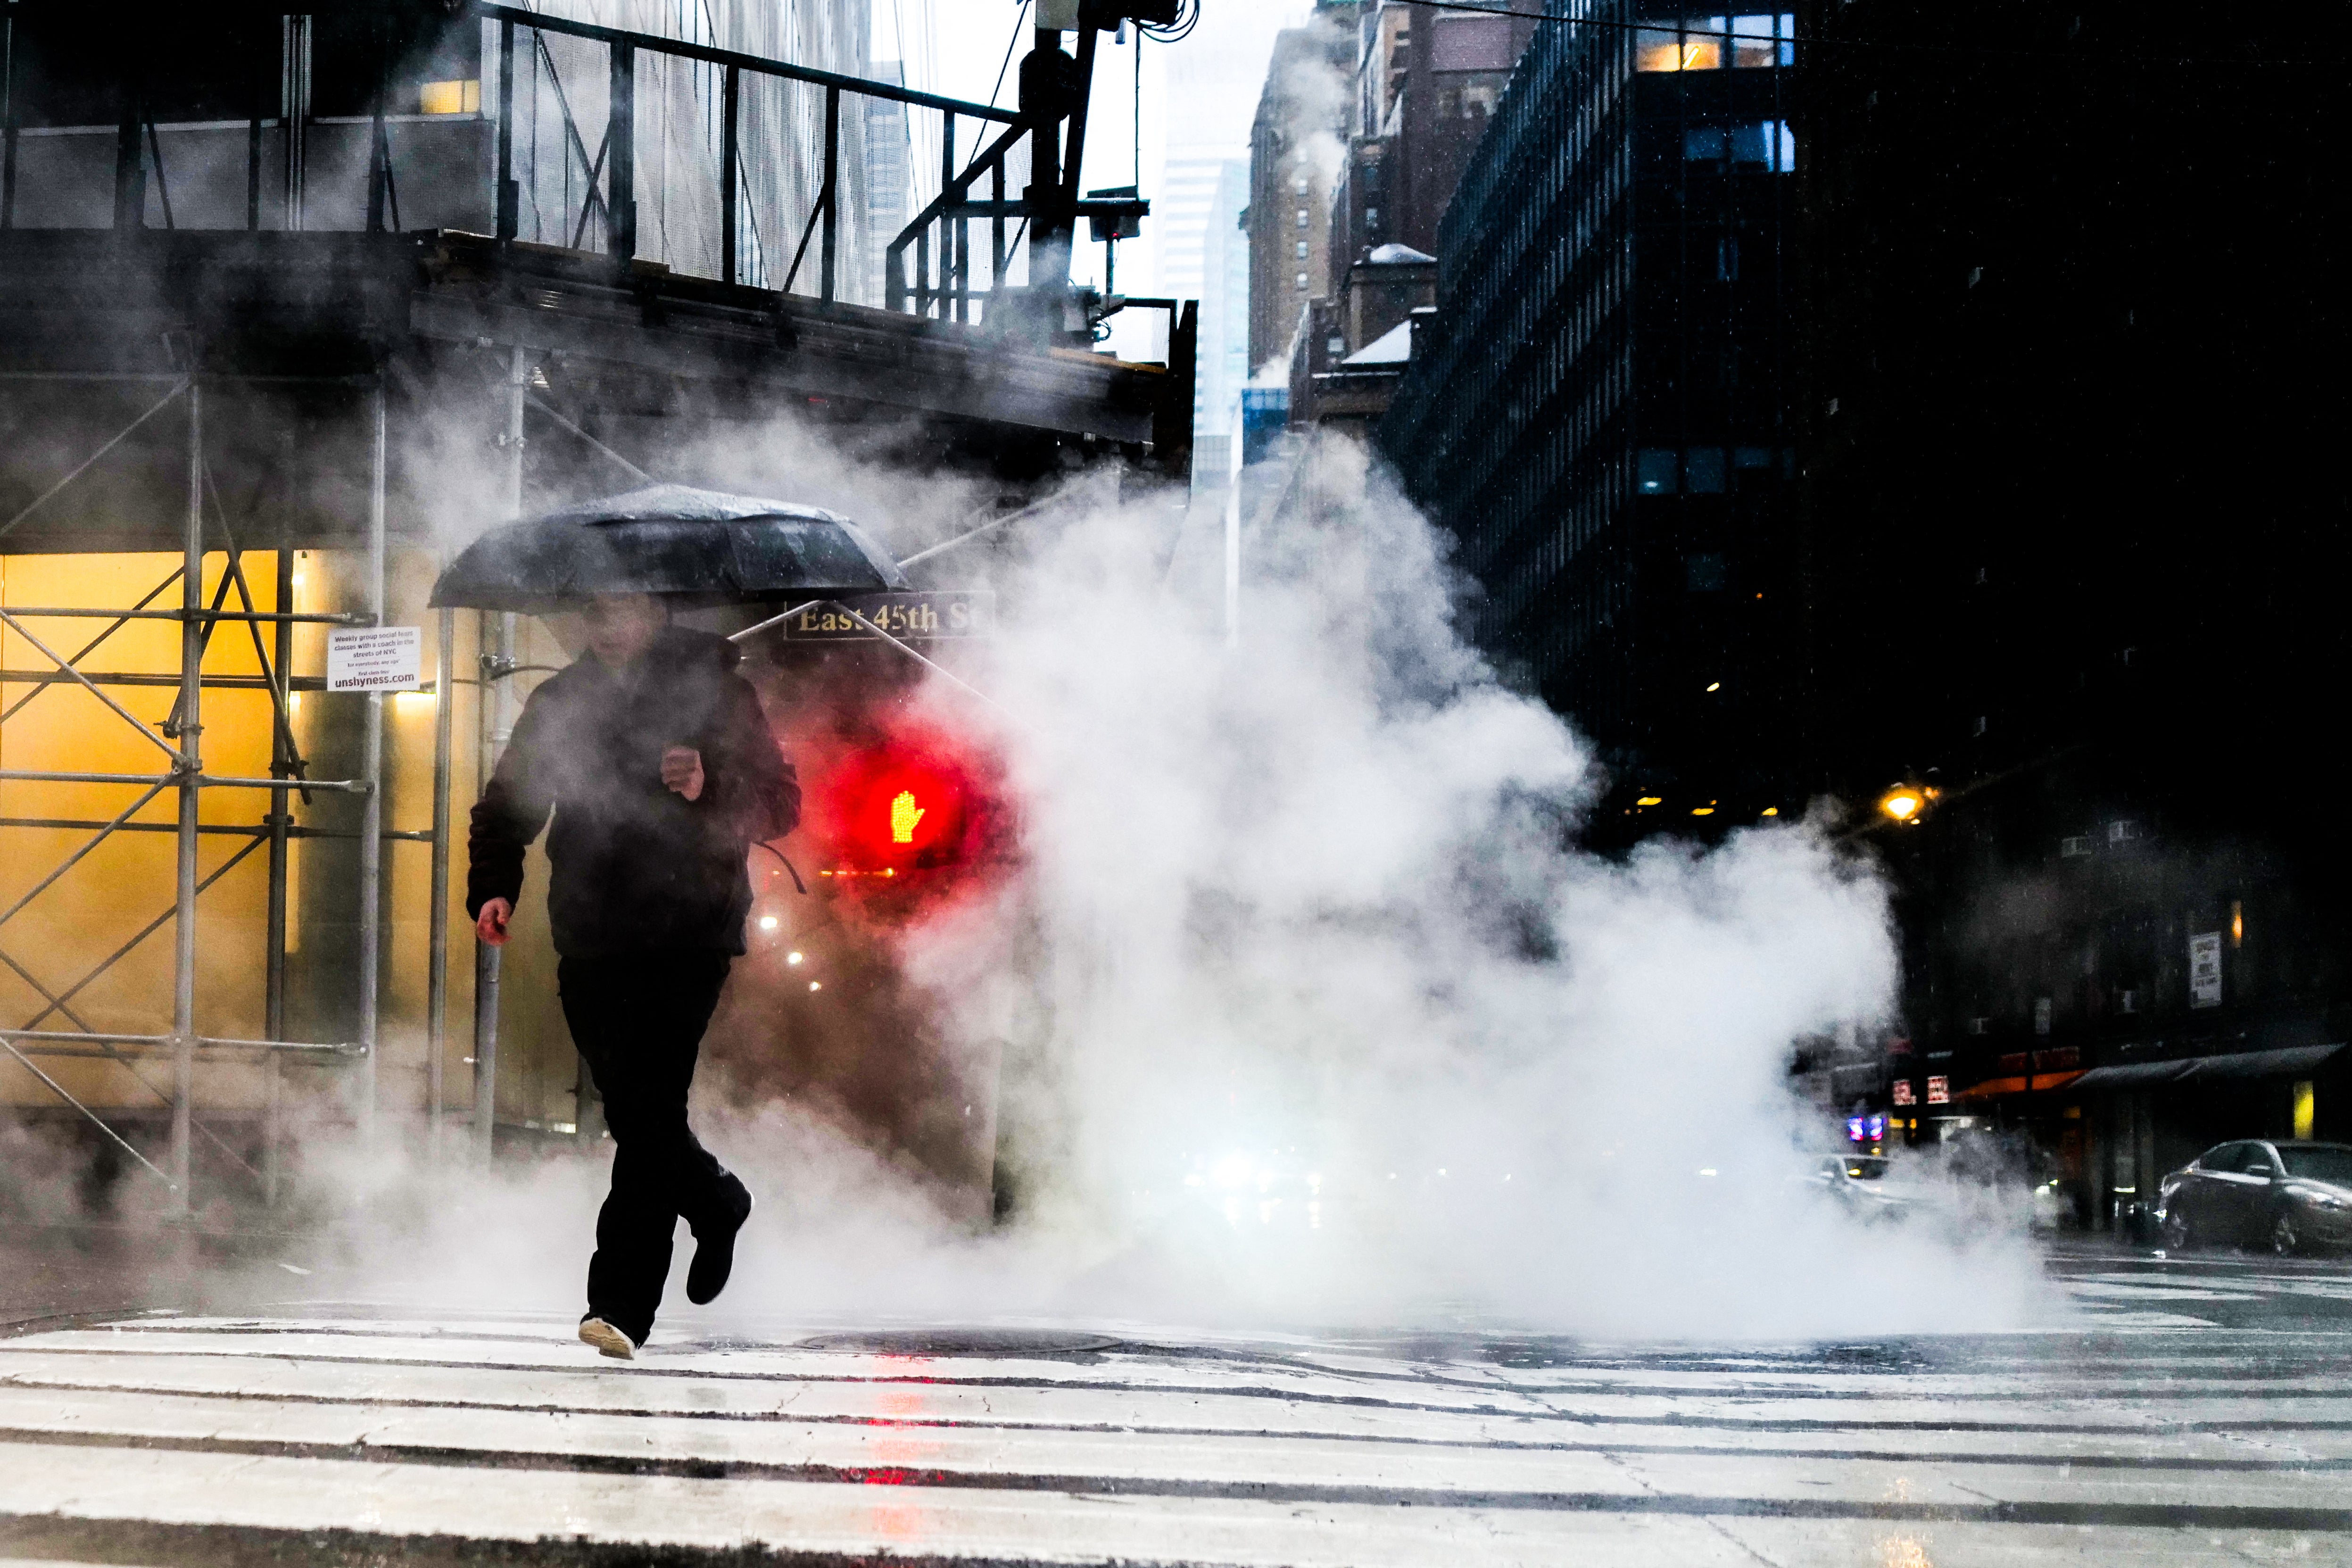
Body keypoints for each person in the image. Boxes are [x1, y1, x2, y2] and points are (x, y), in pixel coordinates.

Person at [467, 592, 798, 1361]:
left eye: (627, 604)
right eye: (596, 605)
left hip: (690, 931)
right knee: (637, 1111)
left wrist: (707, 784)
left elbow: (782, 802)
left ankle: (618, 1304)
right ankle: (717, 1201)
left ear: (657, 609)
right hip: (591, 932)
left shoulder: (718, 692)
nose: (608, 619)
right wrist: (495, 884)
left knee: (648, 1105)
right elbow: (508, 806)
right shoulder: (560, 701)